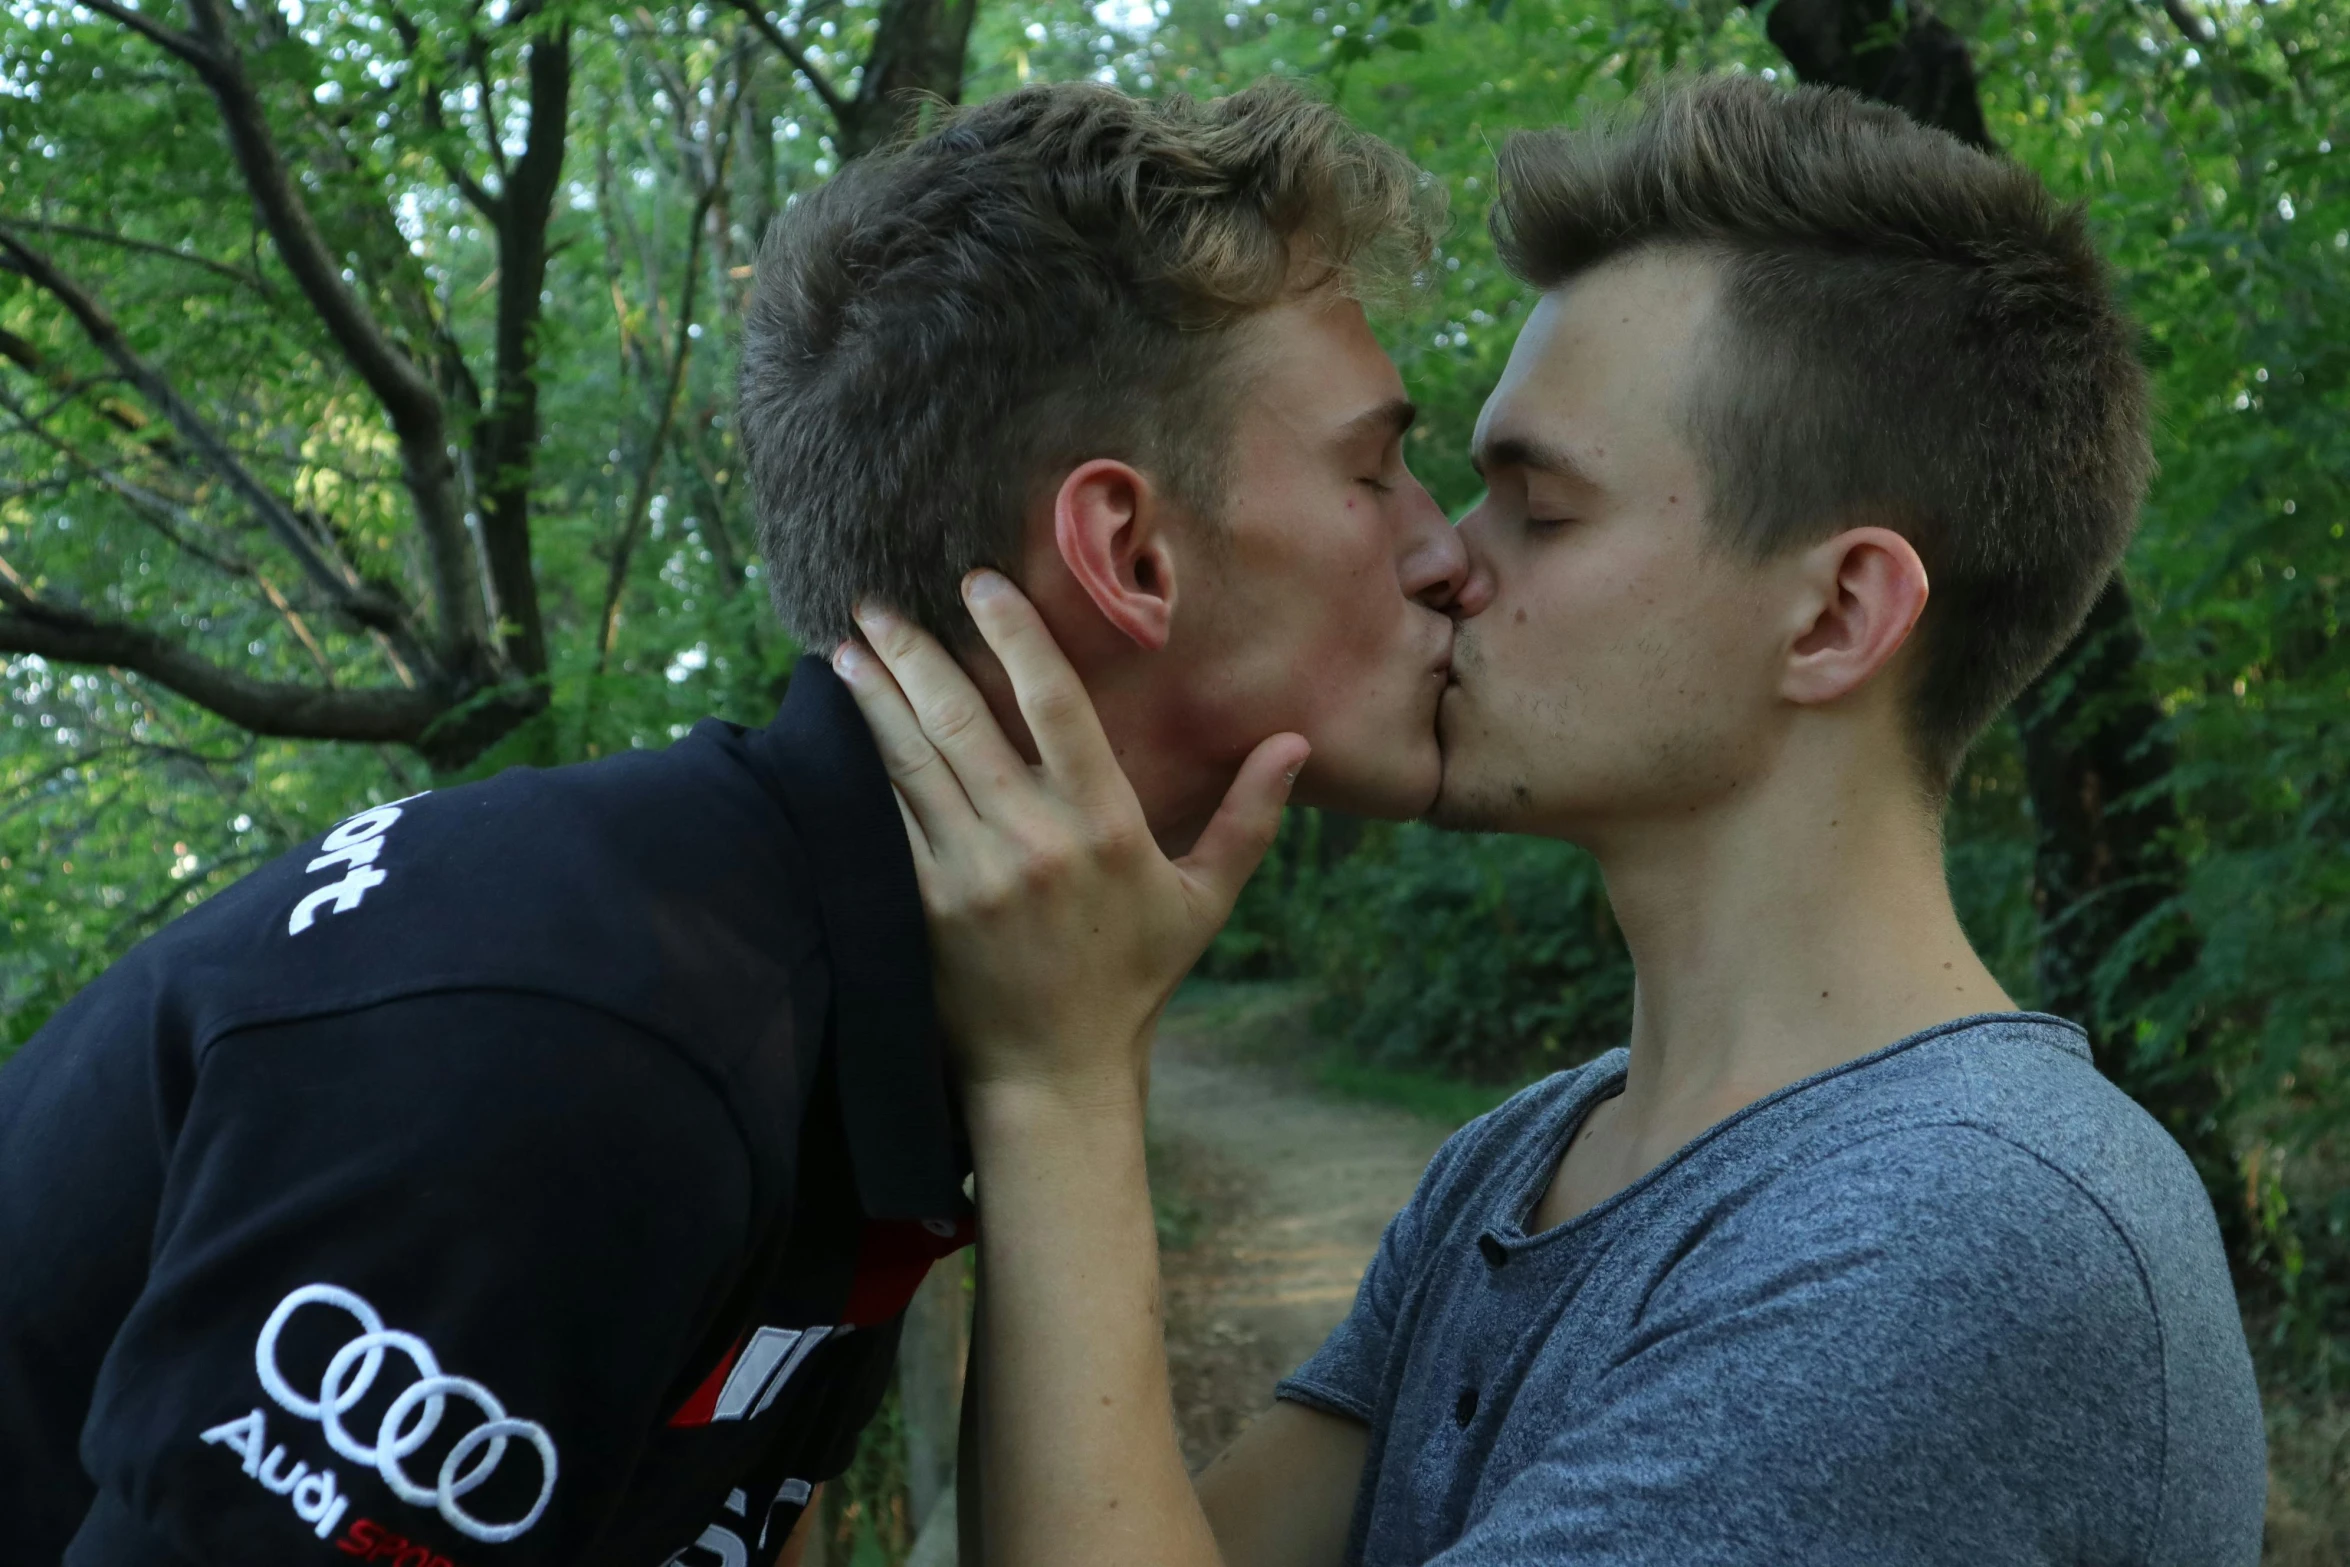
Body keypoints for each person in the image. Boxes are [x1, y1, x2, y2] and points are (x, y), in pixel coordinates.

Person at [0, 81, 1470, 1566]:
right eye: (1374, 469)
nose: (1445, 547)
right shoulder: (596, 1034)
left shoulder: (848, 976)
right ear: (1130, 552)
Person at [833, 76, 2269, 1566]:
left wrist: (1061, 1082)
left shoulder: (1962, 1228)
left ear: (1836, 614)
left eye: (1541, 505)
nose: (1447, 556)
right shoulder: (1526, 1158)